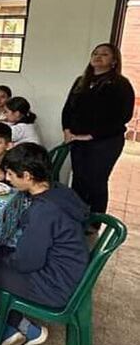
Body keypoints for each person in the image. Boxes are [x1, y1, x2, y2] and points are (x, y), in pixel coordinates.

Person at [0, 143, 89, 345]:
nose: (7, 178)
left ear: (26, 176)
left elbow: (27, 263)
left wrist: (2, 258)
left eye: (9, 174)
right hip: (72, 269)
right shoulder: (58, 190)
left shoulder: (44, 212)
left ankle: (24, 330)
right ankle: (10, 321)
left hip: (55, 283)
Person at [61, 42, 136, 217]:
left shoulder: (120, 84)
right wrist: (67, 130)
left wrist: (91, 135)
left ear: (114, 61)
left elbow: (123, 116)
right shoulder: (81, 81)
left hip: (106, 142)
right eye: (95, 53)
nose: (98, 56)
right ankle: (77, 216)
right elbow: (68, 109)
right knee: (79, 179)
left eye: (104, 54)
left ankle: (94, 221)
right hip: (77, 140)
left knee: (97, 182)